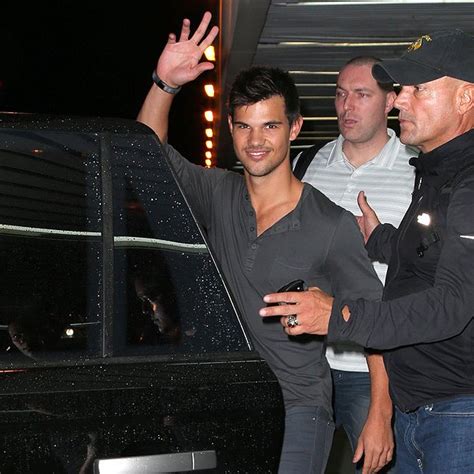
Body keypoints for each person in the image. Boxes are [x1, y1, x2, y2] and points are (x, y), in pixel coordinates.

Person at [137, 12, 383, 473]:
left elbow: (377, 324)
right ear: (230, 129)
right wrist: (164, 84)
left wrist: (379, 415)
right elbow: (145, 159)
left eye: (270, 126)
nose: (255, 141)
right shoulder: (218, 194)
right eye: (244, 126)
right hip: (226, 401)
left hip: (299, 406)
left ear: (294, 128)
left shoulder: (330, 223)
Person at [261, 29, 474, 473]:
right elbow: (432, 254)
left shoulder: (468, 180)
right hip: (418, 403)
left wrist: (339, 315)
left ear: (465, 98)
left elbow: (453, 303)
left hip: (458, 411)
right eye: (402, 89)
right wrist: (379, 239)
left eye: (418, 89)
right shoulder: (436, 172)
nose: (400, 101)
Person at [293, 56, 416, 472]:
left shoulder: (417, 170)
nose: (347, 106)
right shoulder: (305, 165)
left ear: (390, 101)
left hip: (377, 370)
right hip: (306, 366)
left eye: (362, 94)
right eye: (341, 94)